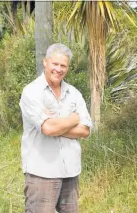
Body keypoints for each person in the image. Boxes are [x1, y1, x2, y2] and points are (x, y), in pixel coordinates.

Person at [19, 43, 92, 212]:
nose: (58, 69)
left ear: (67, 67)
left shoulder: (74, 93)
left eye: (63, 65)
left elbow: (85, 130)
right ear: (45, 62)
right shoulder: (31, 92)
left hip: (70, 173)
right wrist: (74, 118)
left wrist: (56, 122)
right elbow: (48, 129)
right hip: (41, 174)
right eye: (55, 64)